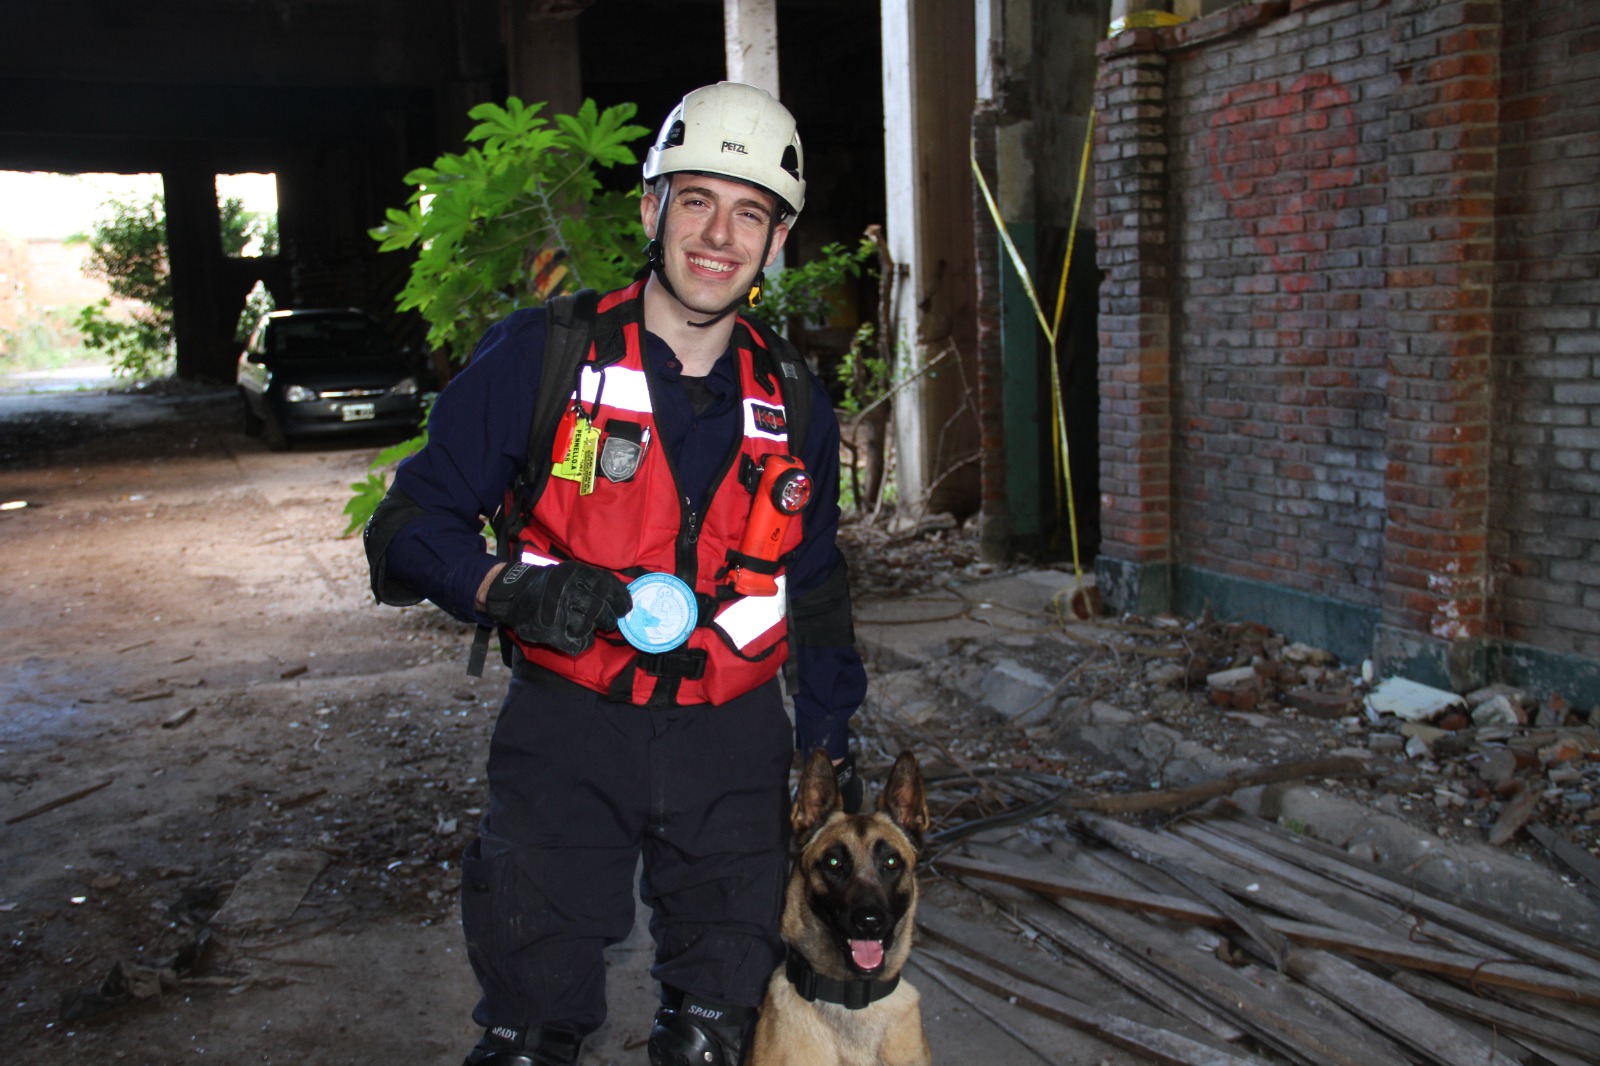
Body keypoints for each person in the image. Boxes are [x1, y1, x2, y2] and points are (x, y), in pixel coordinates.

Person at [363, 82, 868, 1066]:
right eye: (696, 200)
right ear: (651, 209)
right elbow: (405, 527)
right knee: (529, 1035)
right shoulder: (541, 357)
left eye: (750, 213)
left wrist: (830, 737)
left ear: (775, 243)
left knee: (717, 1034)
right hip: (568, 734)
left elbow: (814, 580)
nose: (719, 235)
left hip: (734, 748)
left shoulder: (796, 398)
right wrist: (513, 591)